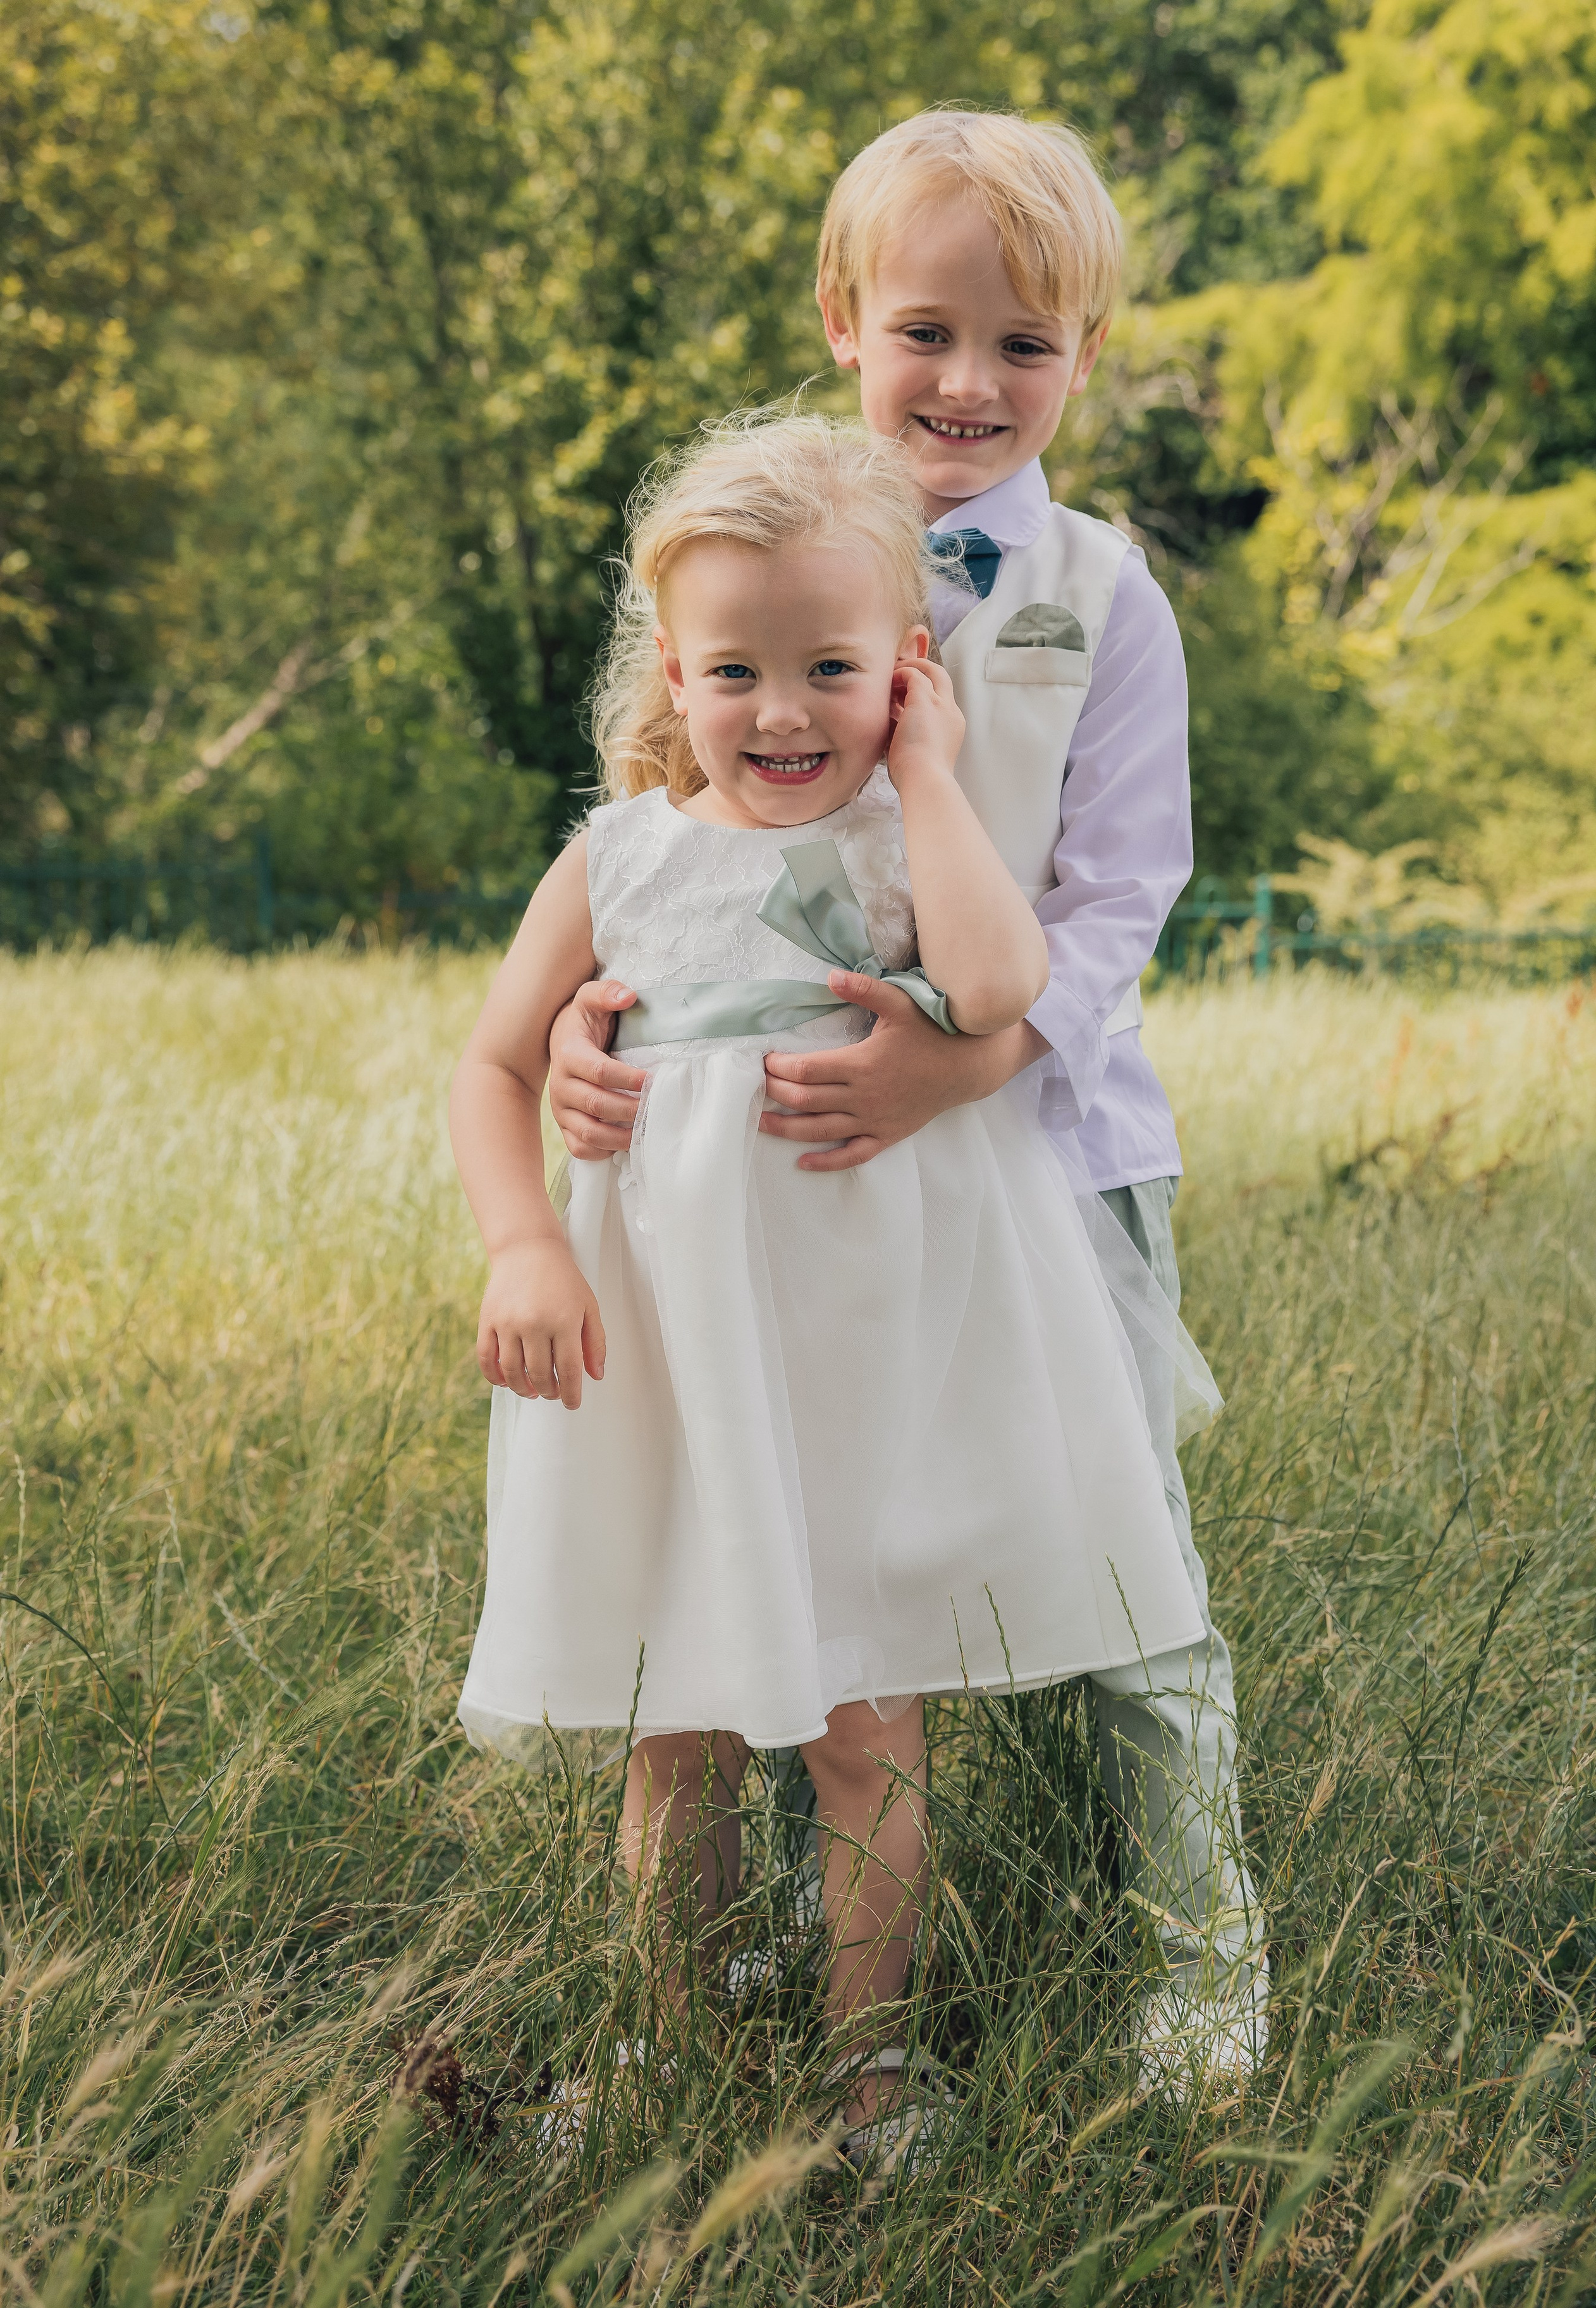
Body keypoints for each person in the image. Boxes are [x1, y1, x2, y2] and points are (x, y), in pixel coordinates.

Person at [546, 111, 1268, 2097]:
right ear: (845, 319)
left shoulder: (1100, 594)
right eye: (930, 330)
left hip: (1050, 1138)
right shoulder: (769, 546)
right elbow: (658, 831)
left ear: (1088, 361)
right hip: (797, 1164)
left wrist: (971, 1056)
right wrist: (597, 1028)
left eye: (1027, 348)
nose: (971, 384)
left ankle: (1199, 1951)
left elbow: (1124, 890)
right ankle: (811, 1913)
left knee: (1123, 1554)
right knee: (805, 1531)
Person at [449, 413, 1216, 2168]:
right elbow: (491, 1068)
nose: (783, 712)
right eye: (736, 670)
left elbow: (1004, 973)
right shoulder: (623, 855)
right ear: (674, 667)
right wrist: (522, 1243)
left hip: (863, 1357)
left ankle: (876, 2069)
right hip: (672, 1353)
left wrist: (933, 773)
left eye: (831, 669)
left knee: (873, 1723)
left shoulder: (901, 845)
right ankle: (676, 2044)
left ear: (905, 671)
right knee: (681, 1730)